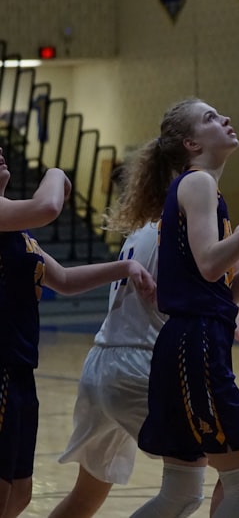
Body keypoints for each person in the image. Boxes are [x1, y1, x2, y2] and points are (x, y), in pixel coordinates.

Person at [114, 99, 239, 518]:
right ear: (191, 142)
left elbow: (224, 291)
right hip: (195, 348)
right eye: (209, 118)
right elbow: (209, 265)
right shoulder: (198, 183)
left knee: (181, 495)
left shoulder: (201, 188)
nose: (224, 118)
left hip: (191, 342)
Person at [0, 154, 155, 518]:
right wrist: (55, 171)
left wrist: (127, 266)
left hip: (19, 369)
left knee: (19, 493)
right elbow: (48, 205)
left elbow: (65, 281)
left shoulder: (18, 232)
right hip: (1, 365)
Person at [48, 221, 166, 518]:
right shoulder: (180, 223)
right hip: (138, 363)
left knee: (85, 498)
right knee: (232, 470)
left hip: (102, 358)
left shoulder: (140, 229)